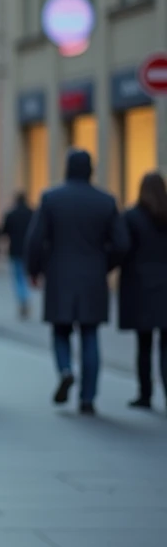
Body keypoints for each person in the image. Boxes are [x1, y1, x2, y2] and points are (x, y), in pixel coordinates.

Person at [25, 149, 129, 415]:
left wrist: (34, 270)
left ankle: (65, 369)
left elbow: (35, 240)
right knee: (90, 335)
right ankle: (88, 397)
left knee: (61, 331)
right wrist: (104, 266)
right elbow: (121, 244)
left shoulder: (51, 199)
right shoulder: (105, 201)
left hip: (59, 275)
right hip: (93, 277)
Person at [117, 172, 167, 410]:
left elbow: (122, 247)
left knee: (144, 345)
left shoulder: (132, 216)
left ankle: (145, 394)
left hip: (141, 287)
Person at [0, 192, 35, 319]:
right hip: (28, 250)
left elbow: (3, 231)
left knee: (18, 277)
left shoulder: (11, 214)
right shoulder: (31, 213)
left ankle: (22, 299)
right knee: (25, 276)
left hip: (15, 250)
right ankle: (25, 298)